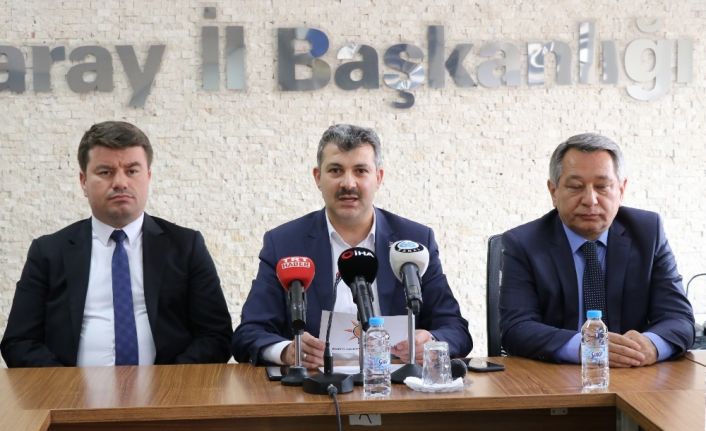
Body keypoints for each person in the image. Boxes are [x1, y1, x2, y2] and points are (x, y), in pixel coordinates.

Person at [232, 124, 472, 367]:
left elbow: (455, 329)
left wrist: (431, 342)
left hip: (397, 383)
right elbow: (249, 333)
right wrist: (286, 351)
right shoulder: (284, 243)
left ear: (378, 177)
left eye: (360, 171)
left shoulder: (415, 240)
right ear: (318, 177)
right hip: (316, 383)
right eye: (336, 170)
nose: (348, 183)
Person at [1, 121, 233, 367]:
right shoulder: (48, 252)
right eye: (105, 172)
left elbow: (216, 336)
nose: (120, 182)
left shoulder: (186, 247)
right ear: (83, 181)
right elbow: (19, 342)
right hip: (70, 387)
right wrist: (67, 385)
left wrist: (168, 383)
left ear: (148, 177)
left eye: (132, 171)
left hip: (167, 387)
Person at [499, 133, 695, 367]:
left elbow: (679, 319)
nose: (590, 200)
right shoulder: (524, 243)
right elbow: (516, 328)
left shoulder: (647, 232)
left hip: (636, 374)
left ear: (621, 190)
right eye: (575, 187)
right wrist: (587, 347)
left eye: (602, 187)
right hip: (555, 377)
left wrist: (651, 345)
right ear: (554, 192)